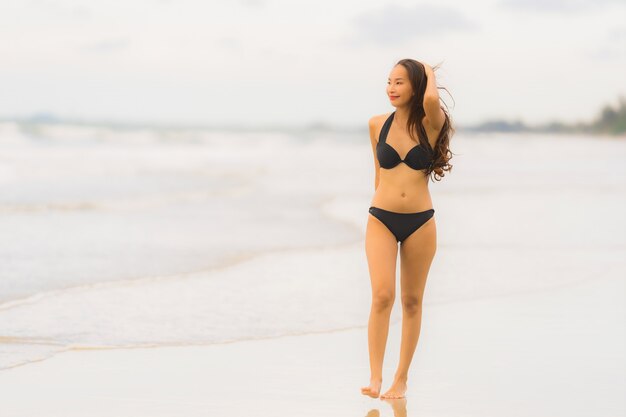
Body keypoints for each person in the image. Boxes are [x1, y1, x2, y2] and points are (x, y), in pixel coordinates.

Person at [361, 58, 455, 400]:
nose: (391, 88)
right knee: (382, 295)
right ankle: (374, 377)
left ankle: (400, 380)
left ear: (416, 86)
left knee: (412, 302)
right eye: (389, 81)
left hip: (420, 222)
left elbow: (431, 101)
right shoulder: (376, 125)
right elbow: (378, 174)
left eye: (400, 81)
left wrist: (426, 69)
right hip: (381, 219)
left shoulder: (431, 123)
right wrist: (375, 209)